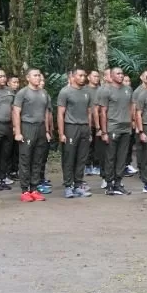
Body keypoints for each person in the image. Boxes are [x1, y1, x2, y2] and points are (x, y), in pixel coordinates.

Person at [13, 69, 51, 202]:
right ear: (28, 78)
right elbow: (16, 112)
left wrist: (46, 131)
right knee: (25, 159)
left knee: (38, 159)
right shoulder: (22, 93)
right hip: (27, 127)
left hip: (40, 127)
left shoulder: (43, 93)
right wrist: (18, 132)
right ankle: (25, 190)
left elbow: (46, 113)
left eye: (39, 75)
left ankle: (34, 188)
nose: (38, 77)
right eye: (35, 75)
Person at [96, 66, 133, 195]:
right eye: (118, 74)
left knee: (122, 157)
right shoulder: (106, 90)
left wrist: (131, 122)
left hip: (125, 128)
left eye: (122, 73)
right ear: (111, 76)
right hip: (112, 127)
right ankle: (109, 183)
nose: (121, 75)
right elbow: (102, 112)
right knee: (110, 157)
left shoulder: (128, 89)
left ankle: (118, 183)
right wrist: (104, 131)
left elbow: (130, 107)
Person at [56, 68, 92, 198]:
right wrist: (61, 133)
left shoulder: (87, 92)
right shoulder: (65, 92)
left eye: (84, 75)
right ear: (73, 76)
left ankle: (78, 185)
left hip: (84, 128)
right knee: (69, 158)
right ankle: (68, 186)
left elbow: (89, 112)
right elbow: (60, 114)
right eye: (80, 75)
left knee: (81, 158)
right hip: (71, 127)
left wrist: (89, 130)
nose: (83, 78)